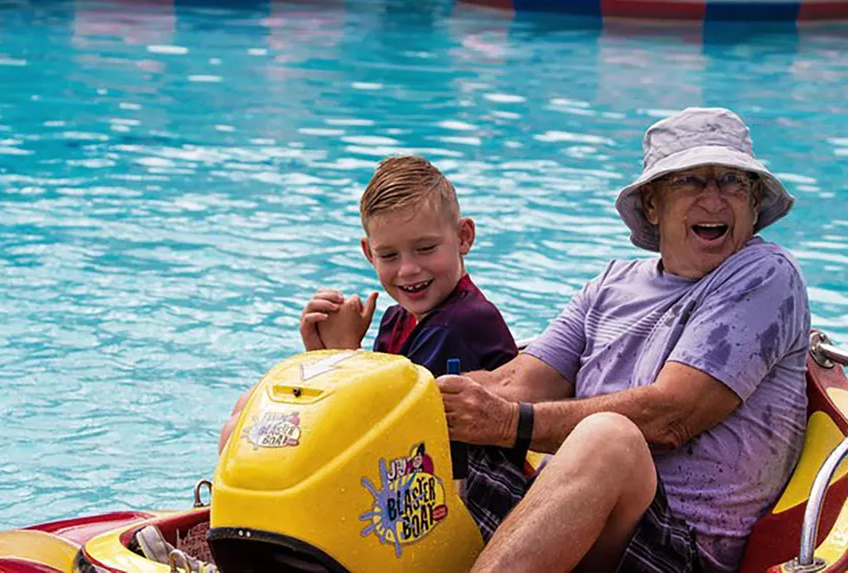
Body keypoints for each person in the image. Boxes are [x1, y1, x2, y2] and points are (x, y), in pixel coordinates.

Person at [438, 107, 810, 573]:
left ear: (754, 205)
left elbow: (671, 417)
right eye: (691, 181)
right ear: (653, 205)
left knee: (611, 437)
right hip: (568, 515)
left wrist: (508, 423)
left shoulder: (765, 274)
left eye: (733, 182)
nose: (714, 199)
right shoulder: (611, 284)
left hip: (679, 548)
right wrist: (398, 390)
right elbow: (517, 382)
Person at [218, 155, 526, 539]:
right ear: (369, 253)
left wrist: (343, 353)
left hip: (470, 503)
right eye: (389, 255)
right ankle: (244, 523)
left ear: (464, 237)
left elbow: (388, 426)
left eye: (426, 248)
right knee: (248, 409)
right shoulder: (398, 318)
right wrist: (324, 356)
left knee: (255, 427)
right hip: (411, 488)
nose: (408, 270)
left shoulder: (463, 322)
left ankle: (257, 531)